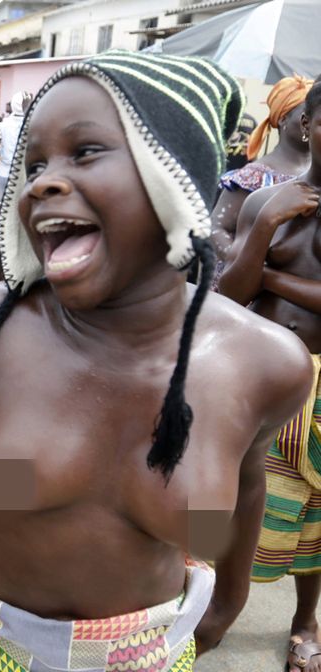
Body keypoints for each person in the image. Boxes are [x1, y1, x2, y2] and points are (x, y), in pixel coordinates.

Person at [0, 51, 311, 671]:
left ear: (175, 176)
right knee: (11, 482)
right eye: (35, 162)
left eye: (86, 152)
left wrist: (226, 603)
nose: (42, 181)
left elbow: (246, 483)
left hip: (149, 652)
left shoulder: (266, 365)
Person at [218, 77, 321, 671]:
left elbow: (259, 286)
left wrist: (273, 279)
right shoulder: (263, 199)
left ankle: (305, 619)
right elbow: (228, 296)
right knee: (219, 489)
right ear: (308, 125)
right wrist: (262, 229)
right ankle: (203, 597)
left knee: (315, 510)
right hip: (258, 374)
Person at [211, 75, 312, 262]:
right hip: (245, 286)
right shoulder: (255, 176)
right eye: (306, 115)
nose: (312, 122)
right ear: (283, 120)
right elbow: (217, 228)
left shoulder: (316, 174)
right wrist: (248, 267)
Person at [0, 90, 32, 199]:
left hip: (3, 172)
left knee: (2, 208)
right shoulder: (31, 125)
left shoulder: (4, 124)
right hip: (22, 175)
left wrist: (3, 152)